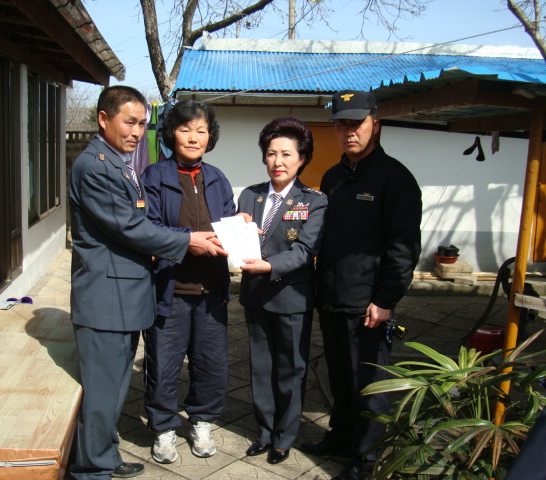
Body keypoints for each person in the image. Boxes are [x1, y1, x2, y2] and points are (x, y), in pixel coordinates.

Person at [68, 86, 226, 480]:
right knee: (103, 392)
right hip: (107, 298)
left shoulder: (118, 163)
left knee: (114, 389)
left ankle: (104, 457)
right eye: (129, 122)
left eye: (141, 123)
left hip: (128, 296)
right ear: (104, 119)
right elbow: (131, 227)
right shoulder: (96, 166)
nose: (137, 131)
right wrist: (187, 240)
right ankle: (91, 469)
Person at [300, 90, 422, 480]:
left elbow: (404, 248)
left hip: (368, 305)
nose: (349, 132)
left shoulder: (395, 179)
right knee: (338, 377)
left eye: (356, 124)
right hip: (331, 297)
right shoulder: (333, 177)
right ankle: (340, 437)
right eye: (341, 125)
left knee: (368, 385)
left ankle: (367, 460)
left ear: (375, 124)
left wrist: (385, 299)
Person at [140, 100, 235, 463]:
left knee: (211, 363)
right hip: (170, 289)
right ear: (171, 134)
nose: (194, 138)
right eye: (185, 129)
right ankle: (164, 427)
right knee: (163, 365)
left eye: (201, 130)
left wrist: (239, 226)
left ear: (210, 136)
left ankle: (202, 421)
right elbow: (148, 229)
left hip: (211, 291)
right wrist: (187, 241)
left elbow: (226, 223)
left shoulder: (217, 178)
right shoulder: (154, 176)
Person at [238, 117, 327, 465]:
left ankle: (284, 437)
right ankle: (264, 431)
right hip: (256, 295)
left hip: (292, 297)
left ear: (301, 159)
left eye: (287, 154)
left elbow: (304, 251)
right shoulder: (250, 195)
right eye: (272, 153)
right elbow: (239, 241)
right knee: (261, 368)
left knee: (291, 369)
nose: (278, 161)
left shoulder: (315, 201)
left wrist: (269, 265)